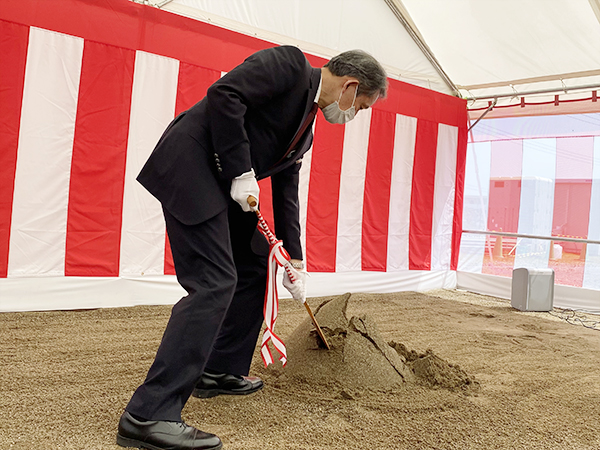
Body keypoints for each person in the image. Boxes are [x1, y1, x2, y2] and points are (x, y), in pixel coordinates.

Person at [116, 45, 387, 450]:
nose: (354, 115)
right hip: (192, 167)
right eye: (361, 106)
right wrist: (242, 169)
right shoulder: (289, 64)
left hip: (224, 186)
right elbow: (225, 95)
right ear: (350, 86)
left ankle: (218, 369)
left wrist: (293, 258)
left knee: (257, 262)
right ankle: (148, 414)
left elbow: (286, 188)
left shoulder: (305, 131)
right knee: (214, 283)